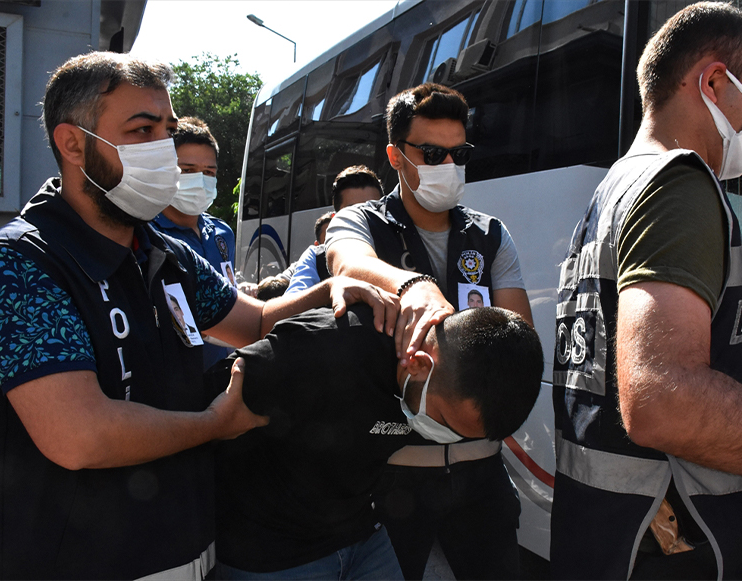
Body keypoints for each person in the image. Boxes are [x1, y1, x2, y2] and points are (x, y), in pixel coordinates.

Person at [0, 51, 397, 580]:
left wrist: (330, 288)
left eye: (167, 130)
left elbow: (253, 323)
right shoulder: (21, 263)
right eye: (142, 131)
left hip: (194, 554)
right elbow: (79, 434)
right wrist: (213, 425)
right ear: (73, 144)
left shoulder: (164, 254)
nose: (163, 151)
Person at [551, 3, 742, 579]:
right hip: (686, 545)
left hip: (611, 537)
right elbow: (661, 401)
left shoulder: (617, 186)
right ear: (716, 83)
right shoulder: (679, 183)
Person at [326, 83, 534, 580]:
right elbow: (347, 261)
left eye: (458, 153)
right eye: (433, 153)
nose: (448, 165)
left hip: (481, 469)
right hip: (389, 470)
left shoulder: (490, 235)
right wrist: (413, 286)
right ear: (396, 156)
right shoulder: (361, 222)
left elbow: (518, 338)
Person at [214, 304, 544, 580]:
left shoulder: (440, 383)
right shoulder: (325, 347)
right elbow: (212, 407)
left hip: (360, 533)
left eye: (459, 435)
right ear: (418, 365)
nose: (443, 438)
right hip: (271, 550)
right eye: (444, 421)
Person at [151, 116, 237, 370]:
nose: (200, 181)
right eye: (187, 171)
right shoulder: (149, 234)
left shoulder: (222, 233)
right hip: (173, 380)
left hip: (223, 370)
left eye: (209, 172)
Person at [285, 165, 384, 296]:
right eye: (353, 212)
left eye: (372, 209)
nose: (362, 219)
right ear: (335, 217)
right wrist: (331, 288)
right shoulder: (317, 258)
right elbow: (292, 304)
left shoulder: (403, 246)